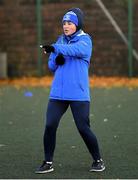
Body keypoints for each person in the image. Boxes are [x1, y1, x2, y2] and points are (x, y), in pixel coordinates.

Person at [35, 7, 105, 173]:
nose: (66, 26)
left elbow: (78, 51)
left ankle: (98, 160)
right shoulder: (60, 40)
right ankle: (48, 162)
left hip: (78, 94)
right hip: (58, 93)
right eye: (64, 23)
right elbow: (51, 66)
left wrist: (56, 48)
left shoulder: (85, 40)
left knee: (83, 128)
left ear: (77, 24)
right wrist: (56, 59)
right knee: (50, 125)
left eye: (69, 23)